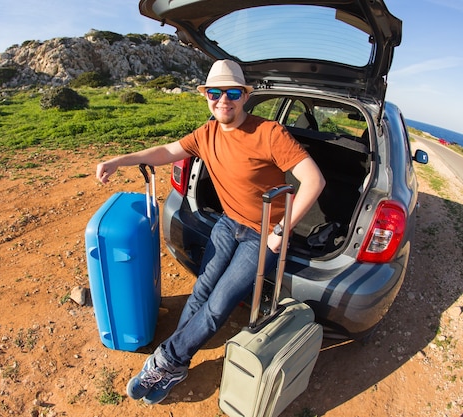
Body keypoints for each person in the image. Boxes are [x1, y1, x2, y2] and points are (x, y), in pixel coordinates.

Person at [95, 59, 325, 405]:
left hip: (262, 234)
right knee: (202, 289)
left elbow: (314, 180)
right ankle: (178, 358)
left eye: (232, 92)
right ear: (206, 96)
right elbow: (168, 151)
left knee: (219, 305)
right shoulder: (207, 133)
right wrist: (121, 160)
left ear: (244, 96)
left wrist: (280, 230)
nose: (223, 100)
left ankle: (167, 360)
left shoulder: (270, 134)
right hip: (228, 223)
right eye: (215, 93)